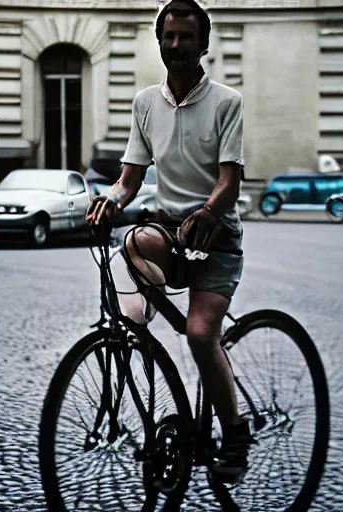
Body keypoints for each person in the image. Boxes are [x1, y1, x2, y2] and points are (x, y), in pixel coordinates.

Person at [86, 0, 251, 483]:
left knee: (201, 334)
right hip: (171, 233)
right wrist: (110, 200)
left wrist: (209, 210)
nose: (176, 45)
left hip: (217, 234)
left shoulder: (227, 102)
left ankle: (235, 436)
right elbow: (129, 180)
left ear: (203, 44)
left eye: (185, 37)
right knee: (133, 240)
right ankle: (133, 332)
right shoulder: (144, 103)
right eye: (168, 37)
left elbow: (231, 182)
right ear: (159, 42)